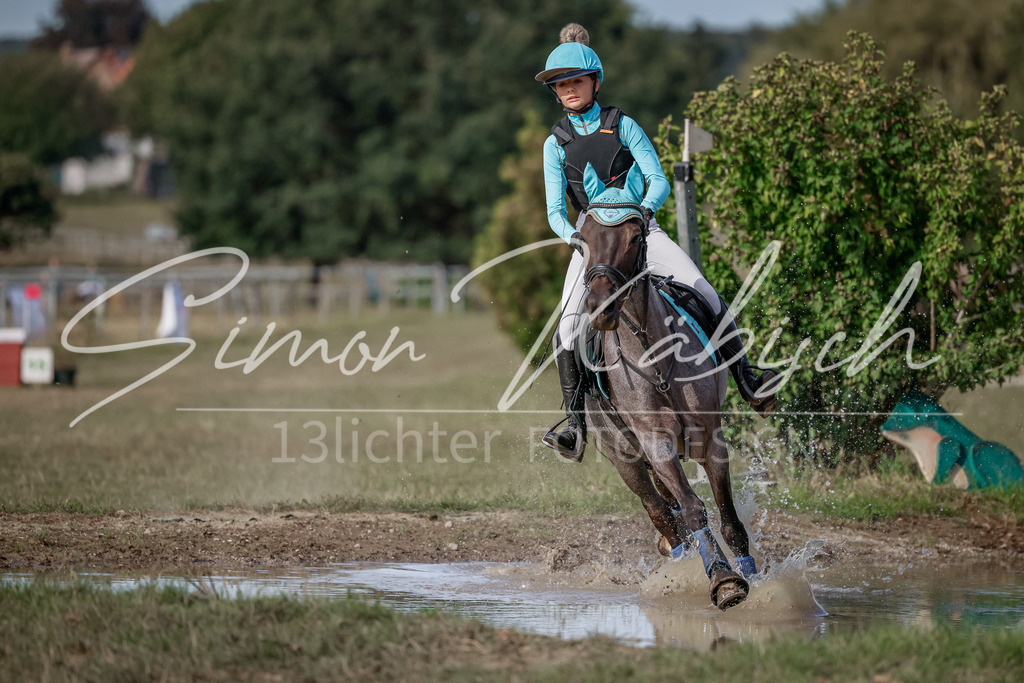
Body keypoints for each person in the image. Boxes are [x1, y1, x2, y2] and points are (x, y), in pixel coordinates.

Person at [537, 23, 779, 463]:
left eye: (575, 81)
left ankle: (747, 379)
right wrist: (576, 238)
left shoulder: (623, 125)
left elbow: (658, 181)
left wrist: (643, 215)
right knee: (567, 328)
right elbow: (555, 211)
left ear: (595, 81)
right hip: (592, 245)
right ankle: (575, 426)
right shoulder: (555, 144)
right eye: (560, 85)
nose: (568, 90)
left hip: (640, 229)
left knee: (702, 287)